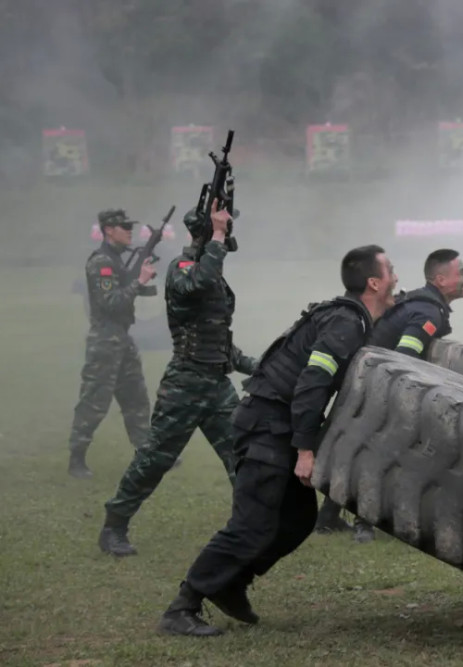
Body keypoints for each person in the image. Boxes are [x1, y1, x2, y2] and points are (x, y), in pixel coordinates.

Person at [158, 244, 397, 637]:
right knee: (251, 524)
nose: (395, 277)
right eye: (390, 271)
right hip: (268, 426)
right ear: (374, 282)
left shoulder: (347, 317)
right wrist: (305, 450)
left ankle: (231, 584)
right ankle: (183, 605)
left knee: (298, 519)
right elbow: (312, 382)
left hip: (278, 424)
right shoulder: (345, 322)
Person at [99, 200, 257, 557]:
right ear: (205, 234)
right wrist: (217, 235)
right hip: (185, 384)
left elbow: (220, 341)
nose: (227, 236)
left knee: (242, 455)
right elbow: (198, 284)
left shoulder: (213, 274)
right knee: (155, 458)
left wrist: (260, 365)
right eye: (220, 231)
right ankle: (115, 524)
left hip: (217, 385)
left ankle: (250, 527)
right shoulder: (183, 269)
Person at [314, 248, 463, 541]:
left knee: (357, 448)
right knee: (382, 451)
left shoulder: (424, 303)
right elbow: (403, 361)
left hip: (364, 381)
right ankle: (363, 523)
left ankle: (327, 519)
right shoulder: (428, 311)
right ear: (440, 279)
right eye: (459, 273)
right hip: (378, 386)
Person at [68, 210, 157, 478]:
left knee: (136, 398)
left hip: (122, 337)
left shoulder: (116, 261)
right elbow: (110, 303)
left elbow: (122, 293)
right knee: (95, 401)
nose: (129, 231)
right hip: (105, 340)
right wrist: (138, 281)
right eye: (123, 226)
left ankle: (147, 453)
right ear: (108, 230)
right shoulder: (101, 263)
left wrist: (138, 282)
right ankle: (77, 458)